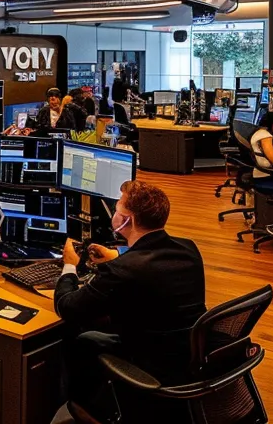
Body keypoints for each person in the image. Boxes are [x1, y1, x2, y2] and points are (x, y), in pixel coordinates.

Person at [55, 180, 207, 422]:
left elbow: (67, 307)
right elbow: (151, 258)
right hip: (187, 356)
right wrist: (116, 255)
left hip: (149, 363)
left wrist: (70, 265)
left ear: (129, 221)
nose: (114, 214)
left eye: (117, 209)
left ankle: (86, 407)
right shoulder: (189, 249)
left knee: (82, 338)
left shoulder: (122, 271)